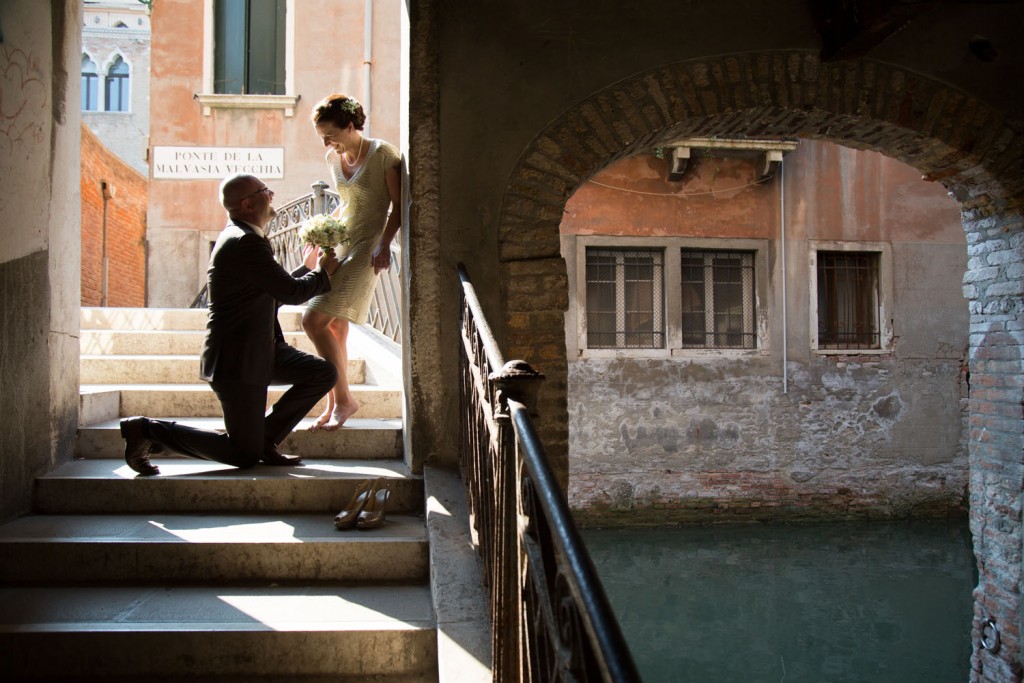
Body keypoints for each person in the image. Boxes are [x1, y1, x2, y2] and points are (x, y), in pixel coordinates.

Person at [119, 173, 342, 476]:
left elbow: (271, 293)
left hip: (261, 351)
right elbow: (290, 292)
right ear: (248, 203)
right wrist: (323, 273)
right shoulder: (244, 241)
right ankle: (147, 431)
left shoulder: (244, 238)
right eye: (266, 191)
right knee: (242, 454)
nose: (272, 194)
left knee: (321, 373)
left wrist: (306, 269)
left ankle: (264, 440)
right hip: (237, 362)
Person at [301, 93, 403, 431]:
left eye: (329, 135)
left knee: (312, 320)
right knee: (333, 327)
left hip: (367, 247)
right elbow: (346, 203)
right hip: (341, 244)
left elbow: (399, 207)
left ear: (349, 125)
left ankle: (345, 400)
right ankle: (333, 403)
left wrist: (385, 243)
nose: (326, 144)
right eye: (321, 138)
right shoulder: (334, 160)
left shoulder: (383, 154)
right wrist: (321, 237)